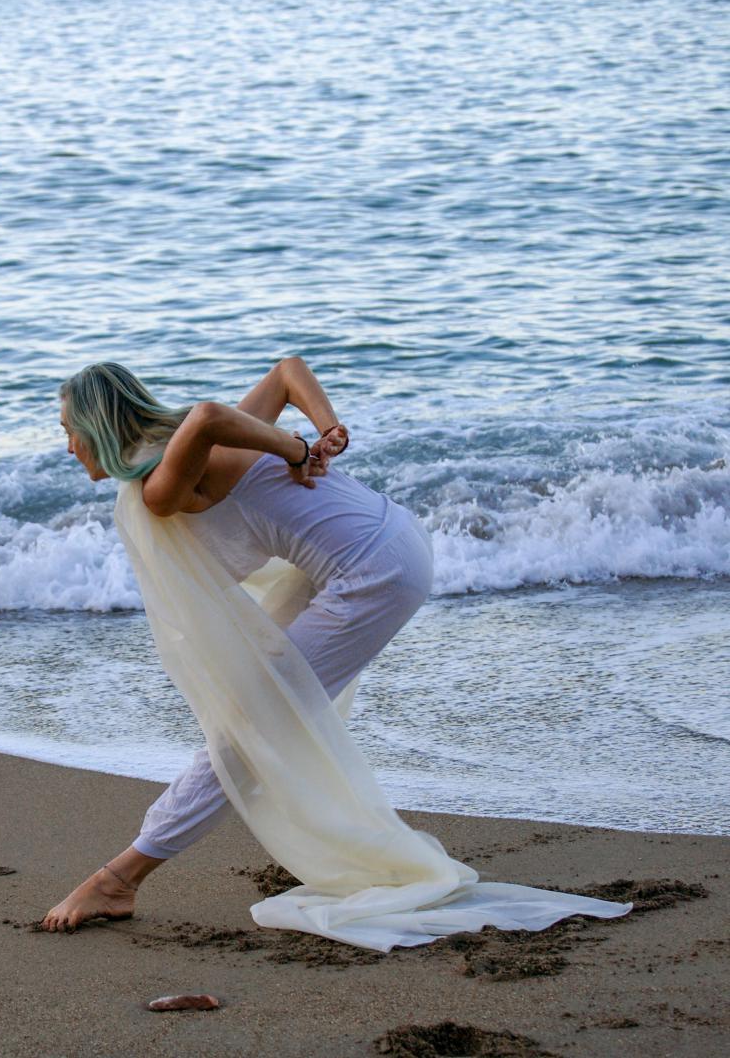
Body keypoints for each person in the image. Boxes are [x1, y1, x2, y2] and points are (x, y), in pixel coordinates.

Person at [42, 359, 630, 948]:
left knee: (251, 728)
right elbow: (286, 373)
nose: (69, 447)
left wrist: (300, 449)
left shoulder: (165, 484)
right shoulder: (195, 452)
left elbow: (209, 414)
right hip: (394, 537)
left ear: (99, 427)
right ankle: (130, 872)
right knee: (253, 717)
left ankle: (119, 879)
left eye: (70, 431)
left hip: (374, 573)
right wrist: (329, 430)